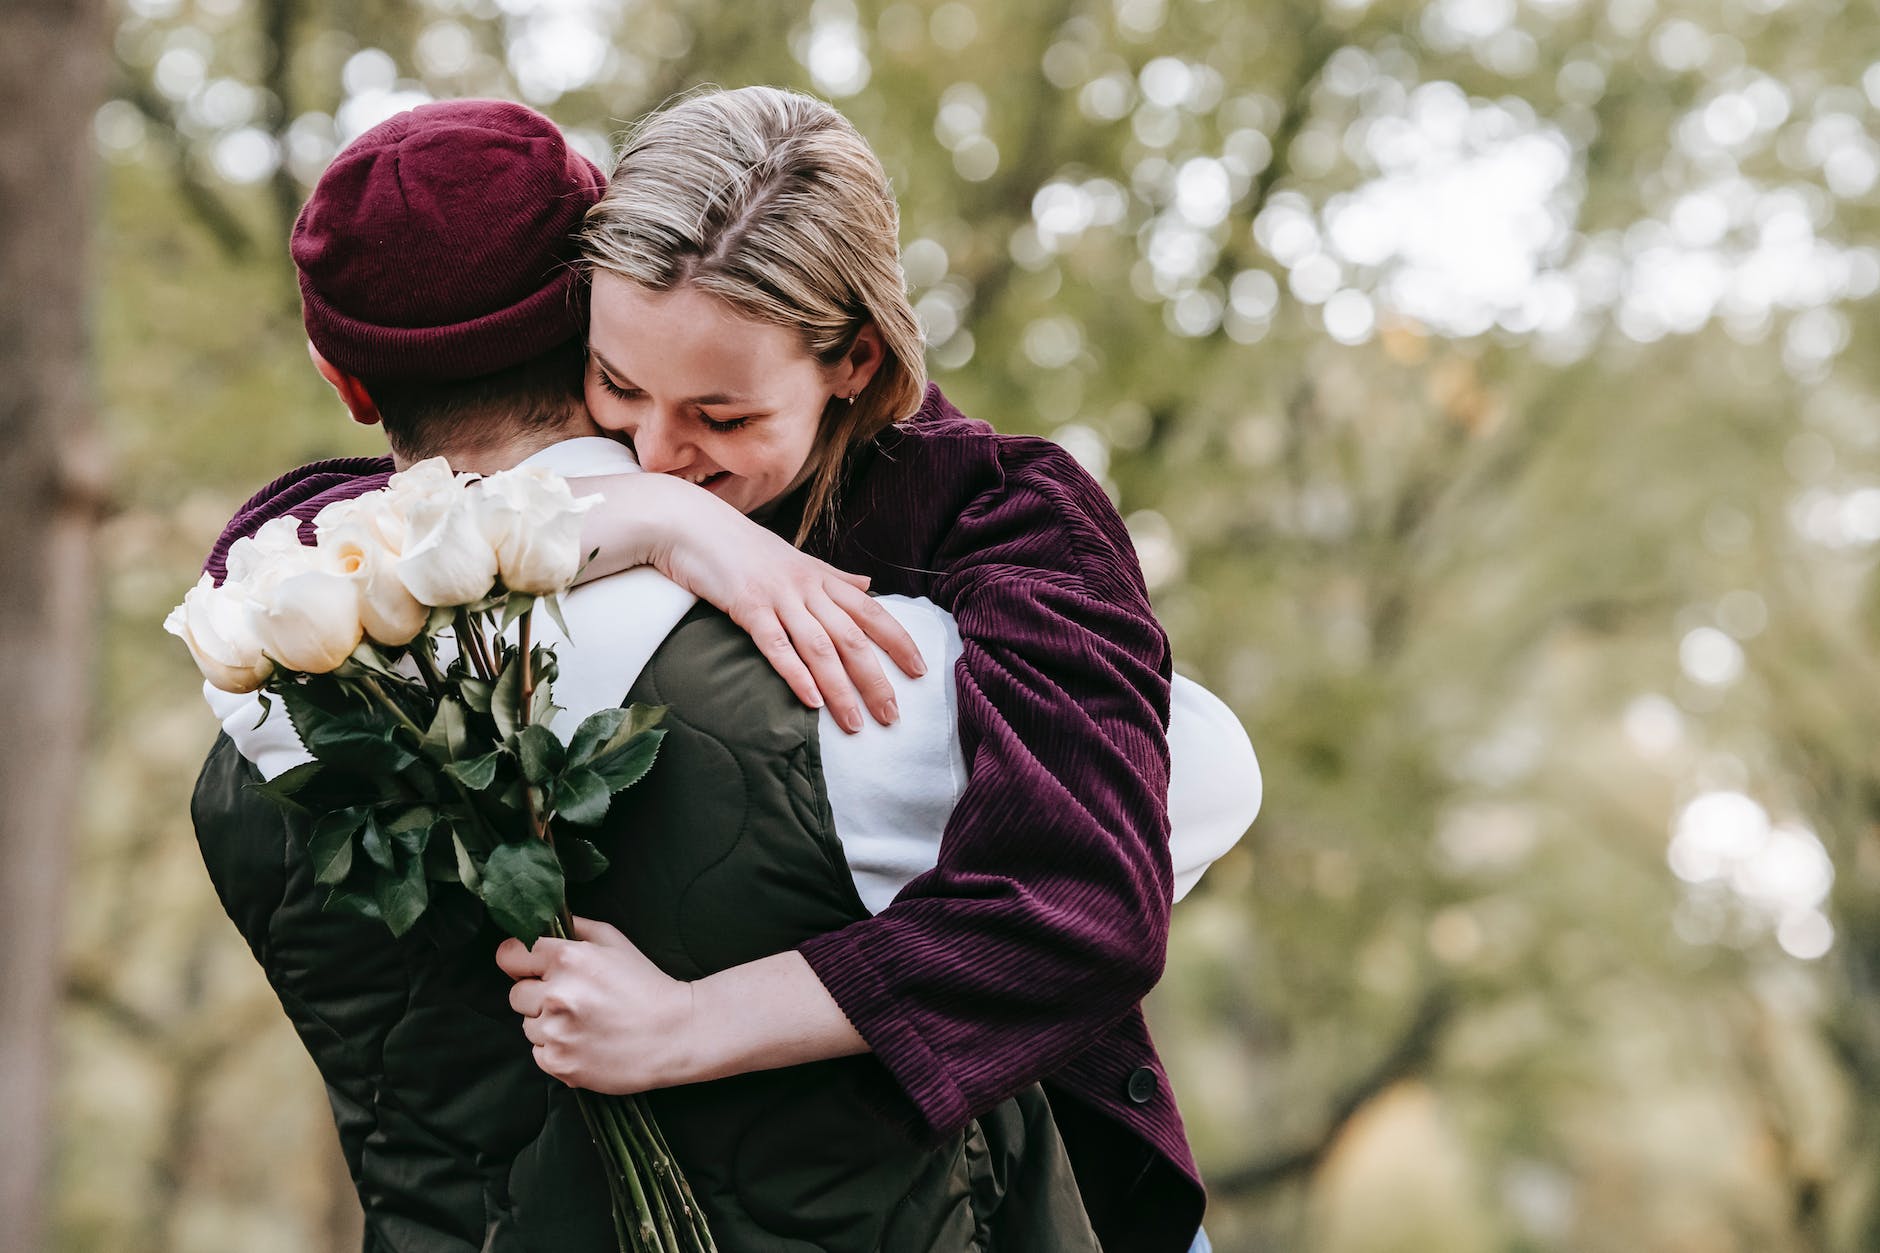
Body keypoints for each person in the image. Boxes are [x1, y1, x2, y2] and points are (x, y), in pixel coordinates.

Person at [195, 98, 1256, 1251]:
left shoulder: (1006, 522)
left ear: (855, 358)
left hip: (1076, 1181)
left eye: (722, 414)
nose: (656, 449)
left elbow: (1089, 900)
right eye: (617, 388)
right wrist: (655, 518)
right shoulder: (636, 494)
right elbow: (279, 559)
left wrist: (692, 1022)